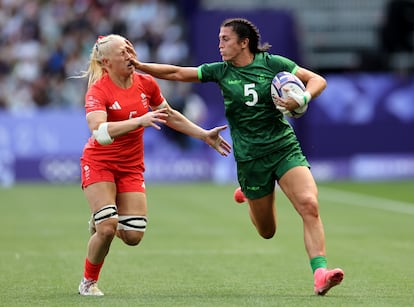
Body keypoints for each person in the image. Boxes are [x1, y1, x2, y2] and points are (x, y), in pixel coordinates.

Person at [132, 18, 344, 296]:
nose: (219, 45)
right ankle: (247, 191)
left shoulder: (273, 64)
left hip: (283, 148)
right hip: (250, 159)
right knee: (267, 231)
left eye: (225, 39)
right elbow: (175, 73)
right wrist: (140, 66)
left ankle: (320, 273)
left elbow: (318, 80)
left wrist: (301, 99)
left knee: (309, 204)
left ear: (244, 43)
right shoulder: (220, 71)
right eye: (219, 39)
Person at [76, 34, 231, 296]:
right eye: (122, 52)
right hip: (100, 161)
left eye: (130, 49)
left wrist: (203, 134)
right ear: (106, 62)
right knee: (107, 227)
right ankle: (88, 282)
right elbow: (99, 132)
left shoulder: (146, 83)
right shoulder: (98, 90)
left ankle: (101, 214)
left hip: (131, 166)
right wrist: (139, 121)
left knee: (134, 236)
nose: (129, 55)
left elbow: (168, 115)